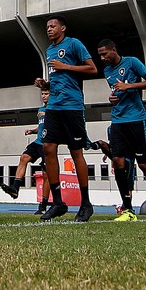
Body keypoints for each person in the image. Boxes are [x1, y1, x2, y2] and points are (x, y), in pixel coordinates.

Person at [35, 15, 98, 222]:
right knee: (48, 148)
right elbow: (57, 80)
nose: (49, 29)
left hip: (72, 105)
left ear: (63, 28)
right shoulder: (49, 50)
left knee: (76, 151)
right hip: (53, 106)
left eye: (53, 26)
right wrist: (45, 84)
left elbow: (92, 68)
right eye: (47, 27)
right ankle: (58, 203)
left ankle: (86, 204)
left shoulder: (74, 44)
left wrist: (66, 67)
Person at [97, 40, 146, 222]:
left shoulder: (132, 62)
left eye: (105, 54)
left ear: (114, 49)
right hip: (118, 120)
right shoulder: (106, 71)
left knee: (143, 164)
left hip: (136, 119)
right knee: (119, 163)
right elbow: (116, 92)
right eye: (100, 55)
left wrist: (129, 86)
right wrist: (113, 98)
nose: (103, 58)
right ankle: (128, 209)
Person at [1, 85, 52, 215]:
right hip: (37, 142)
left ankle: (43, 205)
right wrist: (32, 131)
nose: (44, 96)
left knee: (46, 175)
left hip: (48, 144)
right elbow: (41, 126)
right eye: (43, 94)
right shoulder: (40, 110)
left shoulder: (55, 109)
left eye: (46, 93)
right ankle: (15, 188)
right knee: (24, 157)